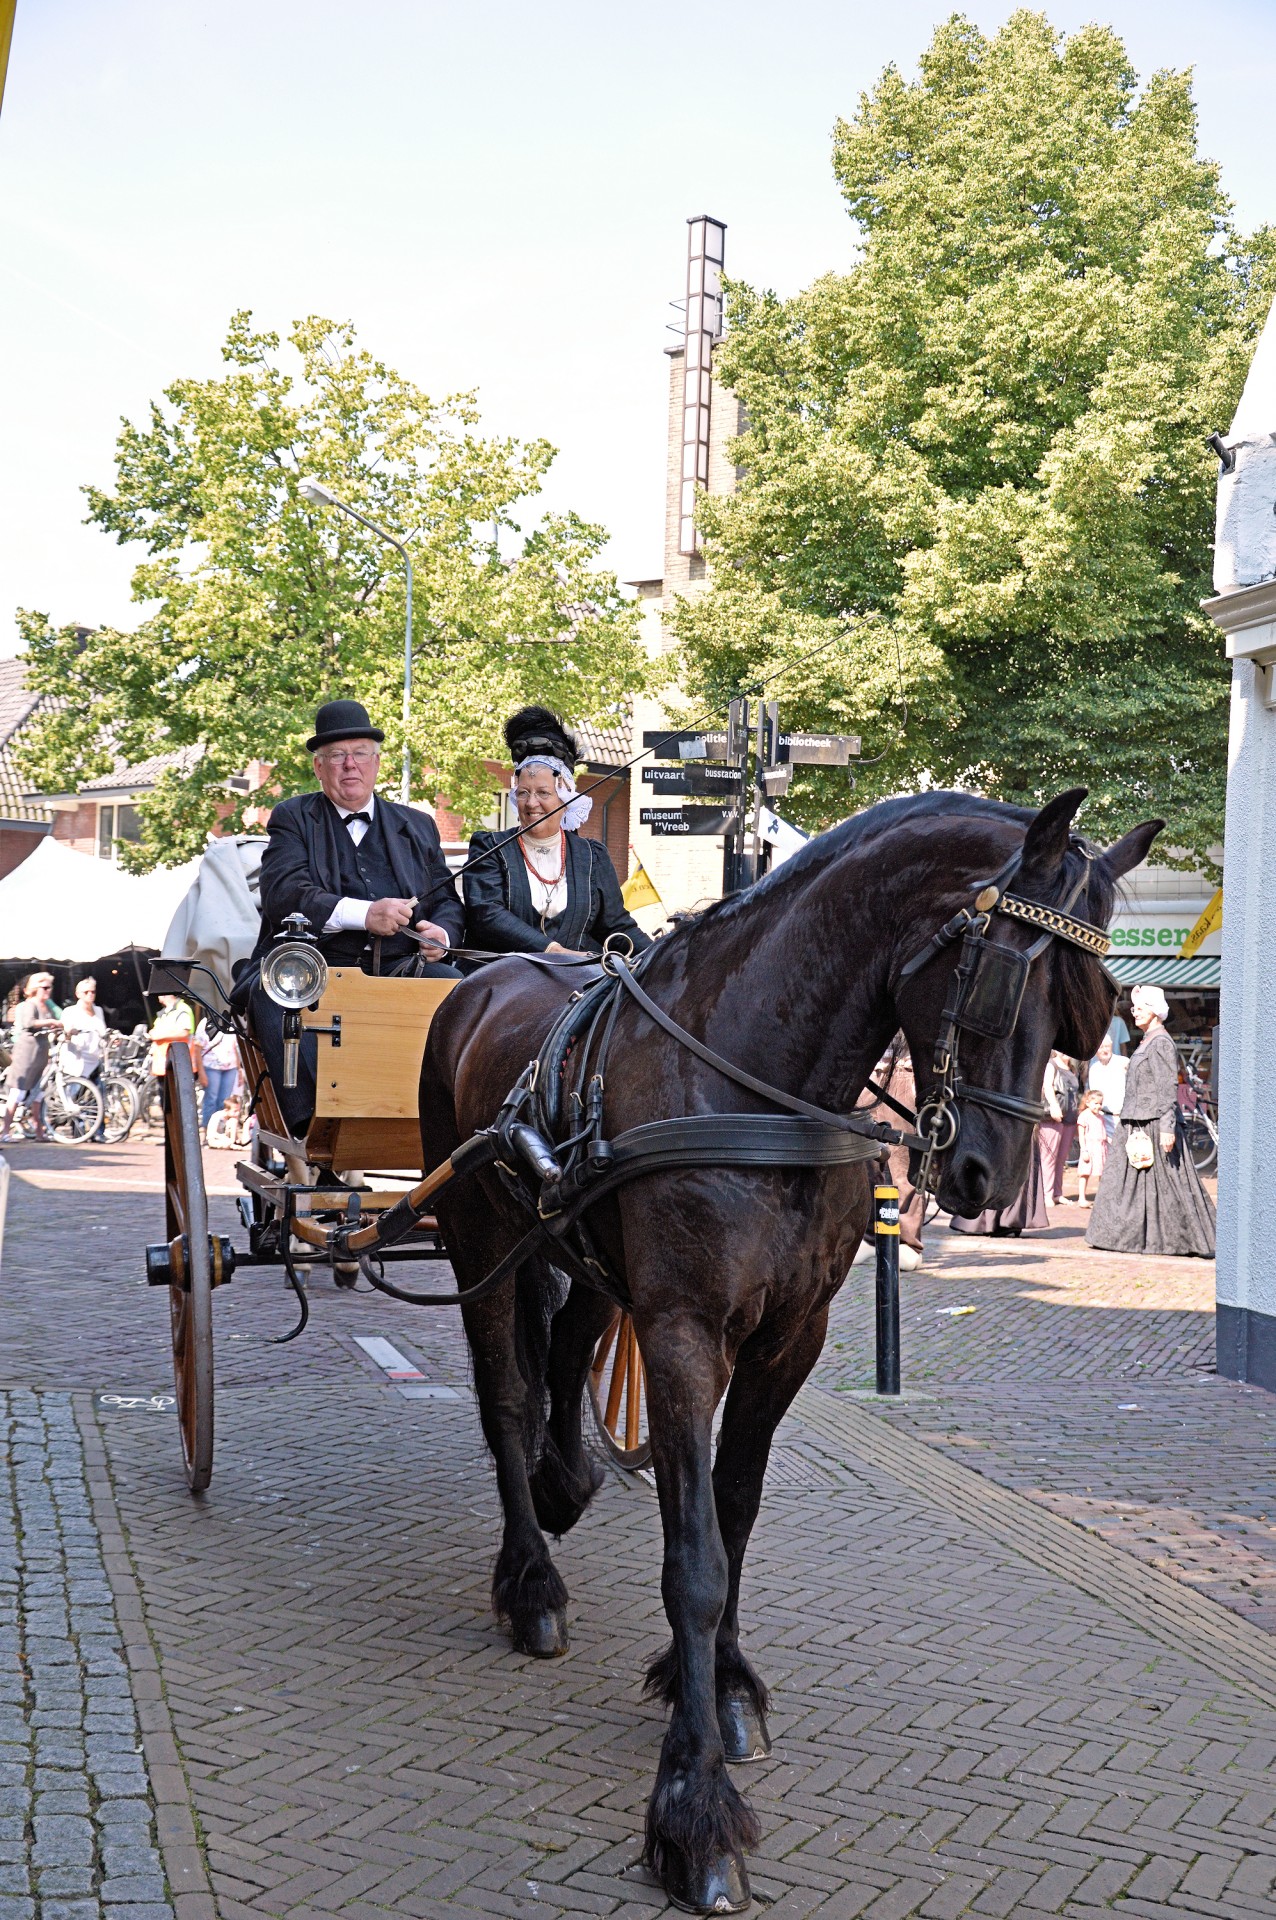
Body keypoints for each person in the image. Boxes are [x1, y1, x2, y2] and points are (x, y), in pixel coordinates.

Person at [246, 699, 464, 1135]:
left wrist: (441, 932)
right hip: (314, 971)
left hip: (402, 969)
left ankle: (457, 1114)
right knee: (272, 994)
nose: (350, 765)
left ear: (377, 763)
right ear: (319, 768)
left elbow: (447, 902)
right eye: (337, 757)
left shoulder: (418, 824)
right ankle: (316, 1125)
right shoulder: (293, 817)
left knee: (462, 992)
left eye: (360, 753)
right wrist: (366, 914)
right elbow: (283, 894)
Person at [463, 707, 652, 958]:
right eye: (523, 793)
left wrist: (663, 955)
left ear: (565, 799)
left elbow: (617, 927)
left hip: (574, 986)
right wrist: (551, 949)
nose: (531, 803)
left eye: (543, 793)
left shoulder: (592, 856)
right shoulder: (490, 848)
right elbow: (487, 914)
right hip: (499, 982)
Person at [1086, 984, 1215, 1257]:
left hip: (1154, 1124)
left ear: (1155, 1011)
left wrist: (1167, 1128)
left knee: (1170, 1184)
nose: (1134, 1013)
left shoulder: (1161, 1042)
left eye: (1140, 1008)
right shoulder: (1148, 1040)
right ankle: (1129, 1238)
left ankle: (1185, 1238)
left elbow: (1167, 1087)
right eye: (1132, 1008)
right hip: (1136, 1121)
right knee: (1131, 1185)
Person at [0, 973, 61, 1143]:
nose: (48, 991)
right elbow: (28, 1023)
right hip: (27, 1052)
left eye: (50, 987)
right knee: (17, 1091)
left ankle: (39, 1132)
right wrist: (51, 1023)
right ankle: (5, 1132)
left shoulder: (45, 1007)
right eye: (45, 988)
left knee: (38, 1093)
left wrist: (61, 1028)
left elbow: (55, 1021)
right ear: (35, 988)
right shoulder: (29, 1005)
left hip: (41, 1052)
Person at [1038, 1049, 1080, 1207]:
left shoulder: (1072, 1069)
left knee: (1061, 1158)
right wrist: (1054, 1106)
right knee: (1049, 1156)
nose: (1066, 1052)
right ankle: (1046, 1194)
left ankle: (1057, 1193)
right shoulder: (1052, 1065)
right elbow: (1047, 1086)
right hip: (1053, 1117)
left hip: (1069, 1117)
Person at [195, 1017, 240, 1142]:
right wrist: (201, 1072)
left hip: (230, 1067)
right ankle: (207, 1132)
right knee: (211, 1099)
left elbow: (235, 1047)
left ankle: (220, 1132)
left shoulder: (232, 1021)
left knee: (225, 1101)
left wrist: (239, 1069)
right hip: (211, 1066)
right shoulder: (205, 1022)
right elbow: (197, 1048)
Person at [60, 978, 107, 1087]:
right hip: (78, 1060)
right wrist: (70, 1032)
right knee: (73, 1095)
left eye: (93, 991)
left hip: (96, 1059)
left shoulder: (98, 1010)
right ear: (78, 994)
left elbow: (103, 1032)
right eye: (86, 992)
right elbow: (65, 1034)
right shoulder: (70, 1011)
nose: (90, 994)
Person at [1086, 1034, 1127, 1142]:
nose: (1104, 1050)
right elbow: (1093, 1094)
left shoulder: (1123, 1063)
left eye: (1107, 1046)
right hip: (1102, 1118)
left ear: (1112, 1047)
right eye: (1101, 1047)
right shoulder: (1094, 1068)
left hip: (1124, 1118)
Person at [1074, 1088, 1108, 1206]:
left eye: (1100, 1104)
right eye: (1095, 1103)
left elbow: (1103, 1132)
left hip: (1100, 1147)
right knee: (1085, 1172)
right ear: (1088, 1103)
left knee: (1102, 1173)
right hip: (1089, 1147)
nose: (1098, 1106)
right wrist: (1084, 1150)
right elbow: (1081, 1135)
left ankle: (1101, 1197)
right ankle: (1081, 1198)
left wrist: (1109, 1140)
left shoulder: (1101, 1117)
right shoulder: (1084, 1116)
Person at [148, 994, 195, 1077]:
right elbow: (155, 1030)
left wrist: (159, 1035)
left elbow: (184, 1032)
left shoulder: (181, 1009)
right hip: (164, 1063)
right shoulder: (164, 1012)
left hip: (178, 1062)